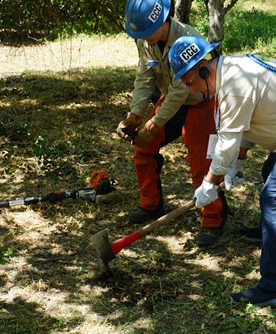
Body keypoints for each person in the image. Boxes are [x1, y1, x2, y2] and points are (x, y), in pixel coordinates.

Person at [168, 35, 276, 306]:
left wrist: (210, 183)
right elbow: (247, 122)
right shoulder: (234, 69)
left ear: (202, 69)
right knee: (271, 170)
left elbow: (227, 142)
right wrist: (241, 161)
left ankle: (271, 289)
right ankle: (267, 231)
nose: (193, 91)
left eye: (191, 83)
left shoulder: (234, 87)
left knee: (273, 200)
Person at [117, 0, 228, 246]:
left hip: (201, 102)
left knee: (202, 163)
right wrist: (135, 115)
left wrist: (153, 124)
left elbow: (180, 90)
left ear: (162, 21)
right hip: (172, 102)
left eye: (146, 33)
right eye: (139, 34)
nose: (143, 39)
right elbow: (144, 77)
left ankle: (213, 219)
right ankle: (151, 202)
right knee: (143, 147)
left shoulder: (186, 38)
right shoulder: (146, 41)